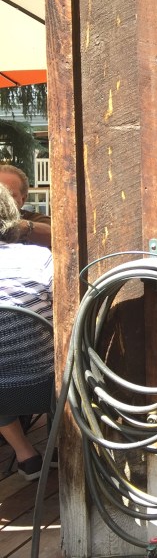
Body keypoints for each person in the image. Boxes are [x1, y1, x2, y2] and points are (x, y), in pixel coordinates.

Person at [0, 184, 54, 481]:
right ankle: (59, 443)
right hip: (45, 387)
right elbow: (68, 317)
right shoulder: (39, 259)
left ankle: (25, 453)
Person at [0, 164, 51, 248]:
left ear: (23, 199)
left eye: (9, 195)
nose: (2, 199)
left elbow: (55, 234)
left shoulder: (35, 219)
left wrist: (14, 226)